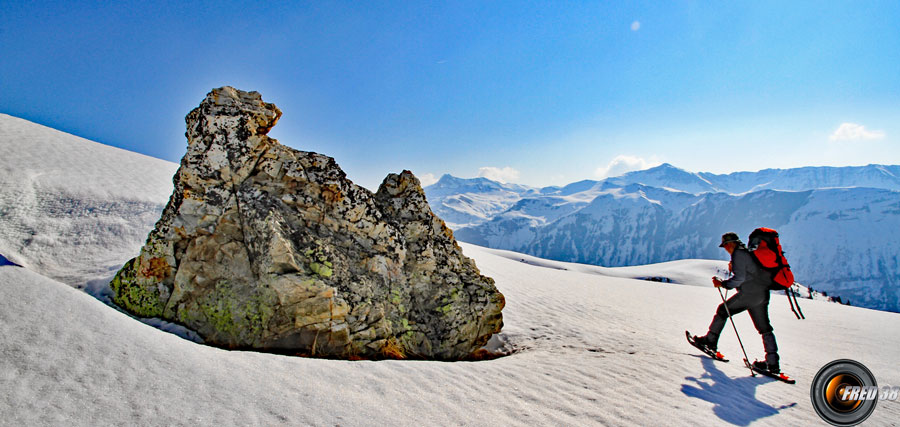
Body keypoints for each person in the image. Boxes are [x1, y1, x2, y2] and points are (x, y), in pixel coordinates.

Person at [693, 232, 780, 373]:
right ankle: (773, 363)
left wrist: (724, 284)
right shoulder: (748, 252)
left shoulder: (739, 254)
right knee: (764, 328)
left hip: (749, 294)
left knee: (723, 311)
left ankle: (710, 341)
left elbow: (739, 278)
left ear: (731, 243)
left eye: (726, 245)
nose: (726, 249)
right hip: (762, 294)